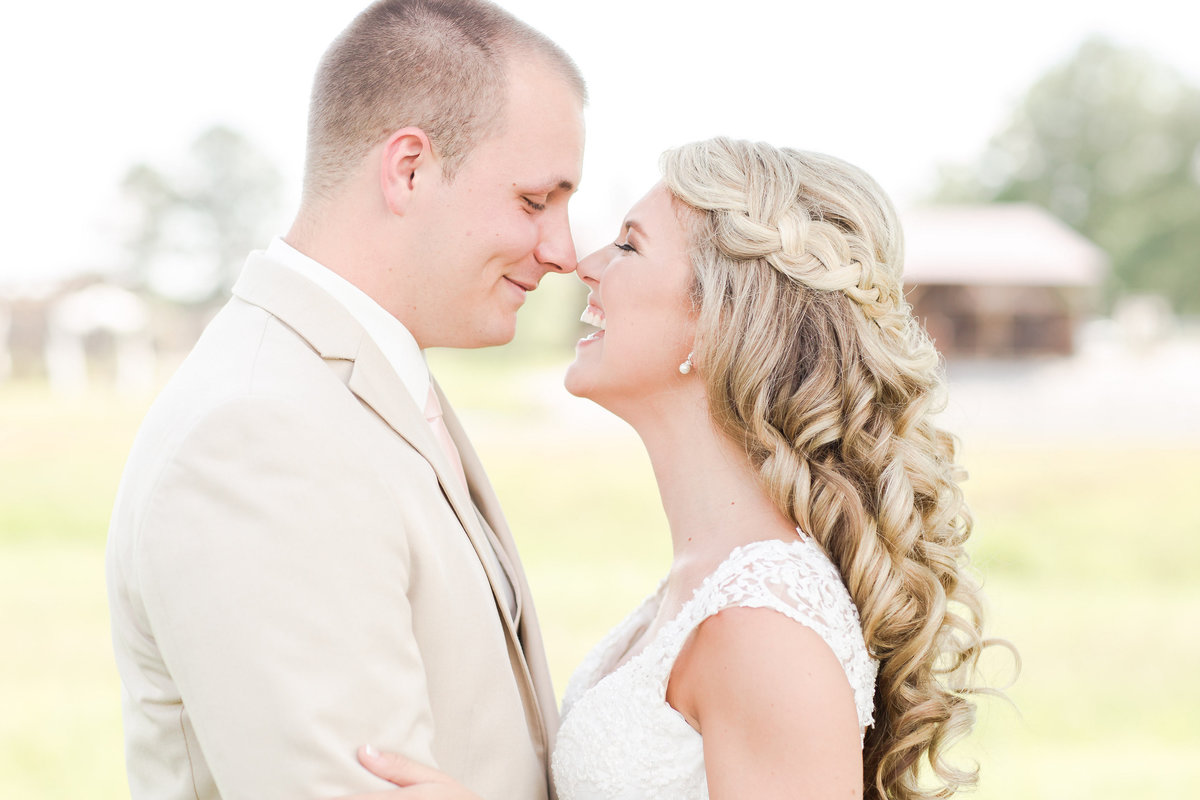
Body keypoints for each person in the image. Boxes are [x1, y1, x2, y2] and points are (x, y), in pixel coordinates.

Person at [354, 138, 1004, 799]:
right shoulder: (708, 581)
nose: (585, 265)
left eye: (630, 246)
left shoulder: (766, 625)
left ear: (720, 318)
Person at [105, 1, 585, 798]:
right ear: (408, 170)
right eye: (536, 202)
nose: (563, 251)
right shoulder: (260, 433)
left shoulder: (348, 384)